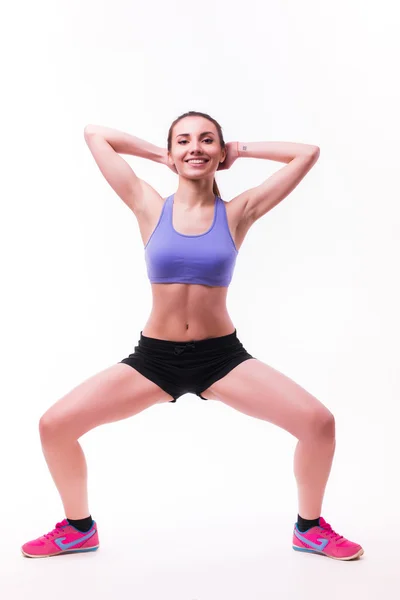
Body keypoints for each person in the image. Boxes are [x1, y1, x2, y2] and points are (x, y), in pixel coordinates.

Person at [21, 111, 363, 561]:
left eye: (206, 141)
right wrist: (159, 155)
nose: (194, 148)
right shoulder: (148, 205)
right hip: (154, 360)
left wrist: (237, 151)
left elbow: (306, 154)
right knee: (54, 426)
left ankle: (310, 528)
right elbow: (95, 134)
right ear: (173, 151)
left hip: (221, 359)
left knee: (319, 424)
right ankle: (78, 528)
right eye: (183, 141)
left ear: (219, 151)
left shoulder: (238, 211)